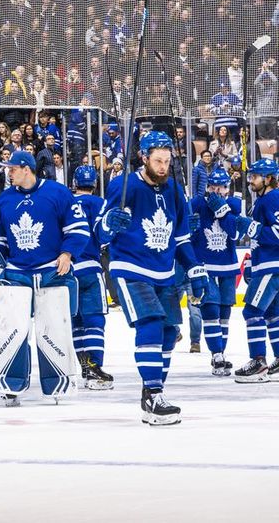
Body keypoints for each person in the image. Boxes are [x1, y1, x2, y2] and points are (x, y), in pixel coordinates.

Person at [99, 132, 208, 424]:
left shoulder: (174, 189)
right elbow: (99, 231)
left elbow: (181, 237)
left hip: (164, 271)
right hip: (130, 267)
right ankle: (153, 393)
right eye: (158, 161)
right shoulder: (124, 186)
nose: (163, 167)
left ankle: (154, 393)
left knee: (169, 332)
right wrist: (109, 222)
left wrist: (194, 268)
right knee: (151, 323)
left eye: (167, 161)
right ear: (144, 158)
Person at [0, 150, 90, 407]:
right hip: (16, 274)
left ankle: (57, 381)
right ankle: (10, 384)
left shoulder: (57, 193)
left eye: (12, 168)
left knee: (53, 330)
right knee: (12, 330)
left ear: (26, 169)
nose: (9, 173)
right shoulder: (5, 199)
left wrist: (68, 253)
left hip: (52, 272)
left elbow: (78, 228)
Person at [190, 168, 244, 376]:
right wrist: (189, 226)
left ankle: (220, 352)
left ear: (227, 188)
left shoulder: (234, 204)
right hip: (205, 265)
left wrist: (223, 212)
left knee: (224, 311)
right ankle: (217, 354)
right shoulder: (197, 203)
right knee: (210, 308)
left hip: (228, 265)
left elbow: (236, 234)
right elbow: (184, 230)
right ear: (208, 187)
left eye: (221, 187)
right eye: (213, 186)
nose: (217, 191)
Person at [233, 158, 279, 382]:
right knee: (272, 313)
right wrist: (251, 264)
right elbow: (257, 240)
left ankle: (258, 362)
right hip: (266, 265)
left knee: (252, 312)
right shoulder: (263, 200)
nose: (251, 180)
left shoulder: (273, 198)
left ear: (268, 179)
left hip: (271, 266)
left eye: (255, 177)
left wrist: (253, 228)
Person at [71, 165, 113, 390]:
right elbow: (104, 236)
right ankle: (95, 368)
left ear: (75, 183)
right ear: (95, 183)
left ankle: (85, 367)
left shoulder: (65, 203)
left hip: (67, 271)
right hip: (90, 268)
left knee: (76, 321)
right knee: (95, 320)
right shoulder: (101, 203)